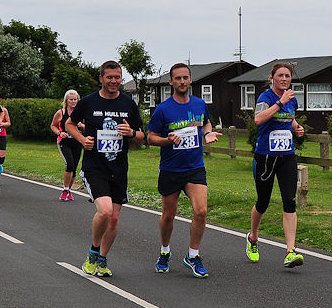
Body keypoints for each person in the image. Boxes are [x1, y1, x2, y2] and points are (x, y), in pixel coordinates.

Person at [66, 61, 145, 277]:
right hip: (95, 167)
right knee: (105, 211)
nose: (113, 81)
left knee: (115, 218)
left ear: (121, 78)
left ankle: (102, 259)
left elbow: (141, 136)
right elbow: (69, 124)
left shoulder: (128, 104)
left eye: (117, 77)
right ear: (101, 78)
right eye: (109, 77)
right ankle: (93, 250)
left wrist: (130, 133)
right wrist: (83, 140)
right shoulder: (88, 102)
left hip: (119, 169)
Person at [147, 63, 222, 278]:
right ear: (171, 81)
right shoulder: (163, 109)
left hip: (195, 168)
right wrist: (167, 140)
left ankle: (193, 255)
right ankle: (164, 251)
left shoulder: (199, 105)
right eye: (178, 78)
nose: (182, 82)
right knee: (169, 215)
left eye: (185, 78)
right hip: (171, 169)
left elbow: (206, 123)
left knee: (201, 211)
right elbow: (151, 137)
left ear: (190, 80)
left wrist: (208, 133)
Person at [246, 63, 306, 268]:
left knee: (289, 200)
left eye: (287, 76)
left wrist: (297, 128)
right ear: (272, 78)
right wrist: (280, 102)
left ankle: (290, 250)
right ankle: (253, 238)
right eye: (280, 75)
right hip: (265, 156)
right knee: (263, 202)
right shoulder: (266, 98)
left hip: (287, 156)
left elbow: (290, 119)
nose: (284, 79)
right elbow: (259, 119)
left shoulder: (292, 99)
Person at [50, 90, 85, 201]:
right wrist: (60, 133)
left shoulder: (82, 113)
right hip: (64, 142)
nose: (73, 101)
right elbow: (53, 126)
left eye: (75, 99)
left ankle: (68, 190)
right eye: (71, 99)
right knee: (69, 164)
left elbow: (88, 126)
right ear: (66, 100)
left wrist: (82, 125)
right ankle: (65, 190)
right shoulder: (61, 112)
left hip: (77, 142)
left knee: (74, 168)